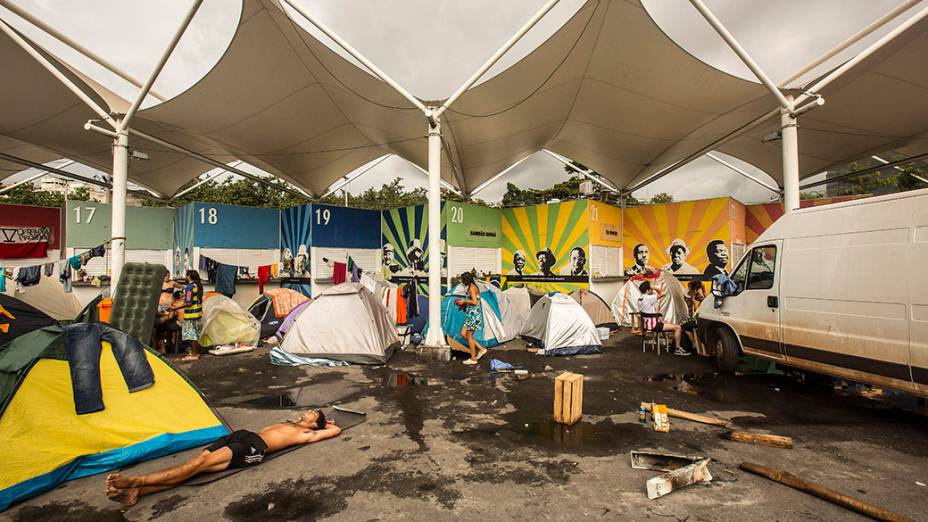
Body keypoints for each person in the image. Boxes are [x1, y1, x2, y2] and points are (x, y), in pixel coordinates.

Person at [105, 410, 341, 507]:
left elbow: (335, 431)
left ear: (314, 423)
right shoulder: (291, 422)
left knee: (196, 466)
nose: (311, 411)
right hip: (242, 436)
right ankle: (139, 493)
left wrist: (327, 423)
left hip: (253, 448)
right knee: (193, 467)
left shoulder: (307, 433)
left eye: (315, 414)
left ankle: (135, 482)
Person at [638, 281, 687, 356]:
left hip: (646, 324)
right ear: (648, 290)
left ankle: (668, 345)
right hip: (654, 325)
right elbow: (663, 293)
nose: (652, 291)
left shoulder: (640, 299)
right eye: (651, 289)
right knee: (678, 327)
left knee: (665, 323)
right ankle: (677, 349)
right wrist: (653, 286)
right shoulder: (648, 298)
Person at [454, 272, 487, 365]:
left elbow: (475, 302)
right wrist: (464, 304)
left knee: (469, 336)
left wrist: (464, 301)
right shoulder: (471, 287)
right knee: (463, 334)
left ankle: (473, 358)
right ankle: (481, 349)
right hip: (470, 315)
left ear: (466, 280)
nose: (461, 282)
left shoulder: (472, 288)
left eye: (462, 280)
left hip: (473, 315)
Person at [171, 270, 203, 361]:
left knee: (191, 334)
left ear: (189, 276)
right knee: (196, 334)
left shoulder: (189, 287)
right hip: (198, 313)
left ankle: (193, 354)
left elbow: (188, 302)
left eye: (186, 275)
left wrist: (175, 308)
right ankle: (195, 352)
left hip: (191, 314)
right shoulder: (198, 286)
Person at [680, 279, 706, 355]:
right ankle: (693, 342)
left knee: (703, 301)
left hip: (698, 318)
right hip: (687, 296)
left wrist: (705, 301)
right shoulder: (689, 288)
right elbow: (693, 301)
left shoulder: (702, 284)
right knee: (690, 310)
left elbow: (704, 294)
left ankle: (694, 343)